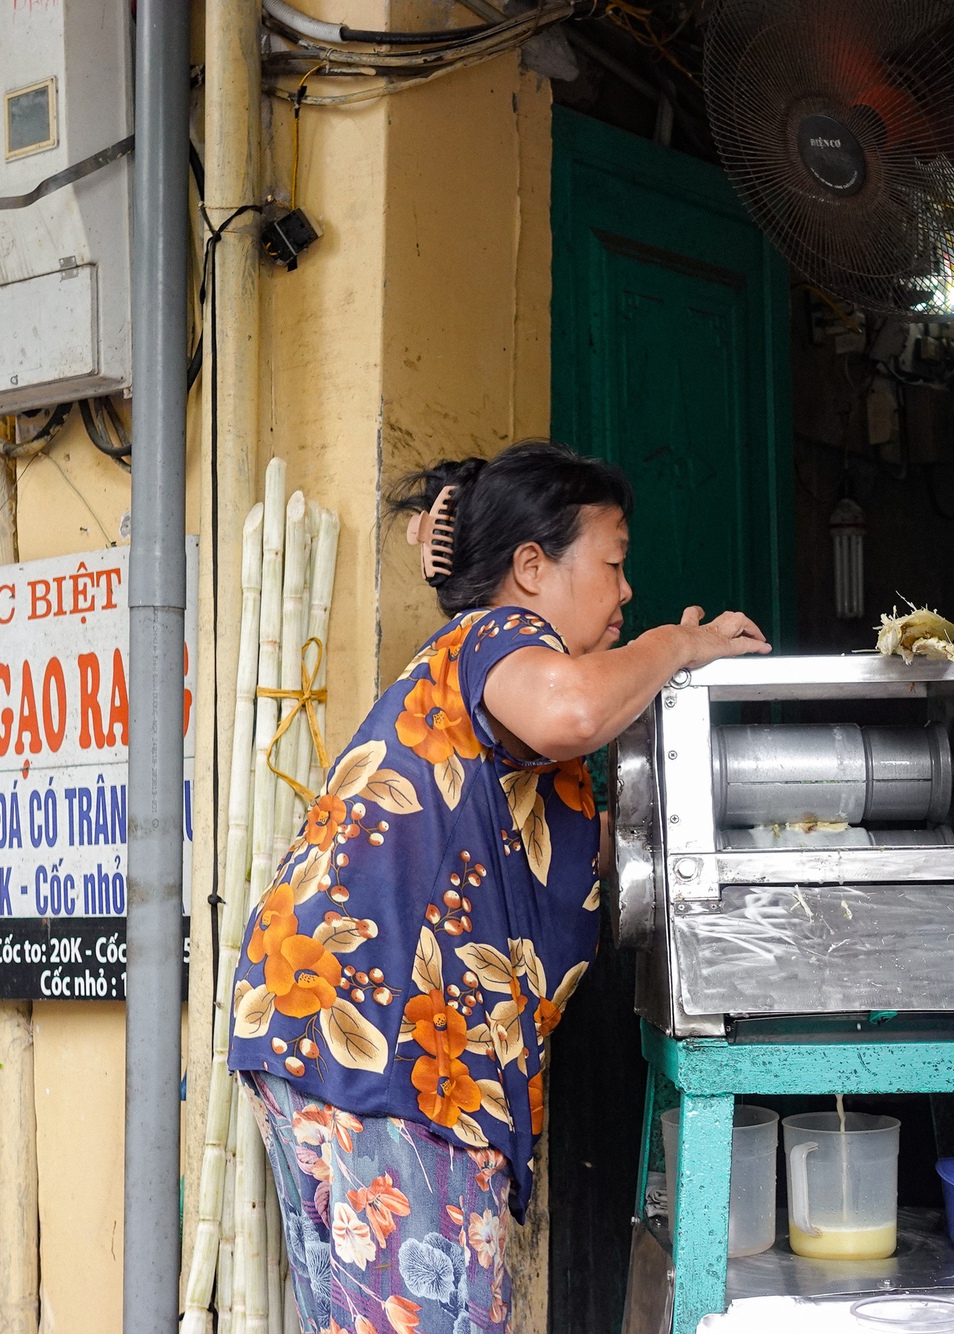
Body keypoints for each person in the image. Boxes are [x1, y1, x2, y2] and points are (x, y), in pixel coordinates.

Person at [228, 440, 770, 1333]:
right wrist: (676, 646)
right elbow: (577, 710)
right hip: (388, 1042)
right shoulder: (501, 639)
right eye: (614, 565)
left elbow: (570, 851)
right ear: (531, 567)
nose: (627, 592)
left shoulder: (480, 686)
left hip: (323, 1028)